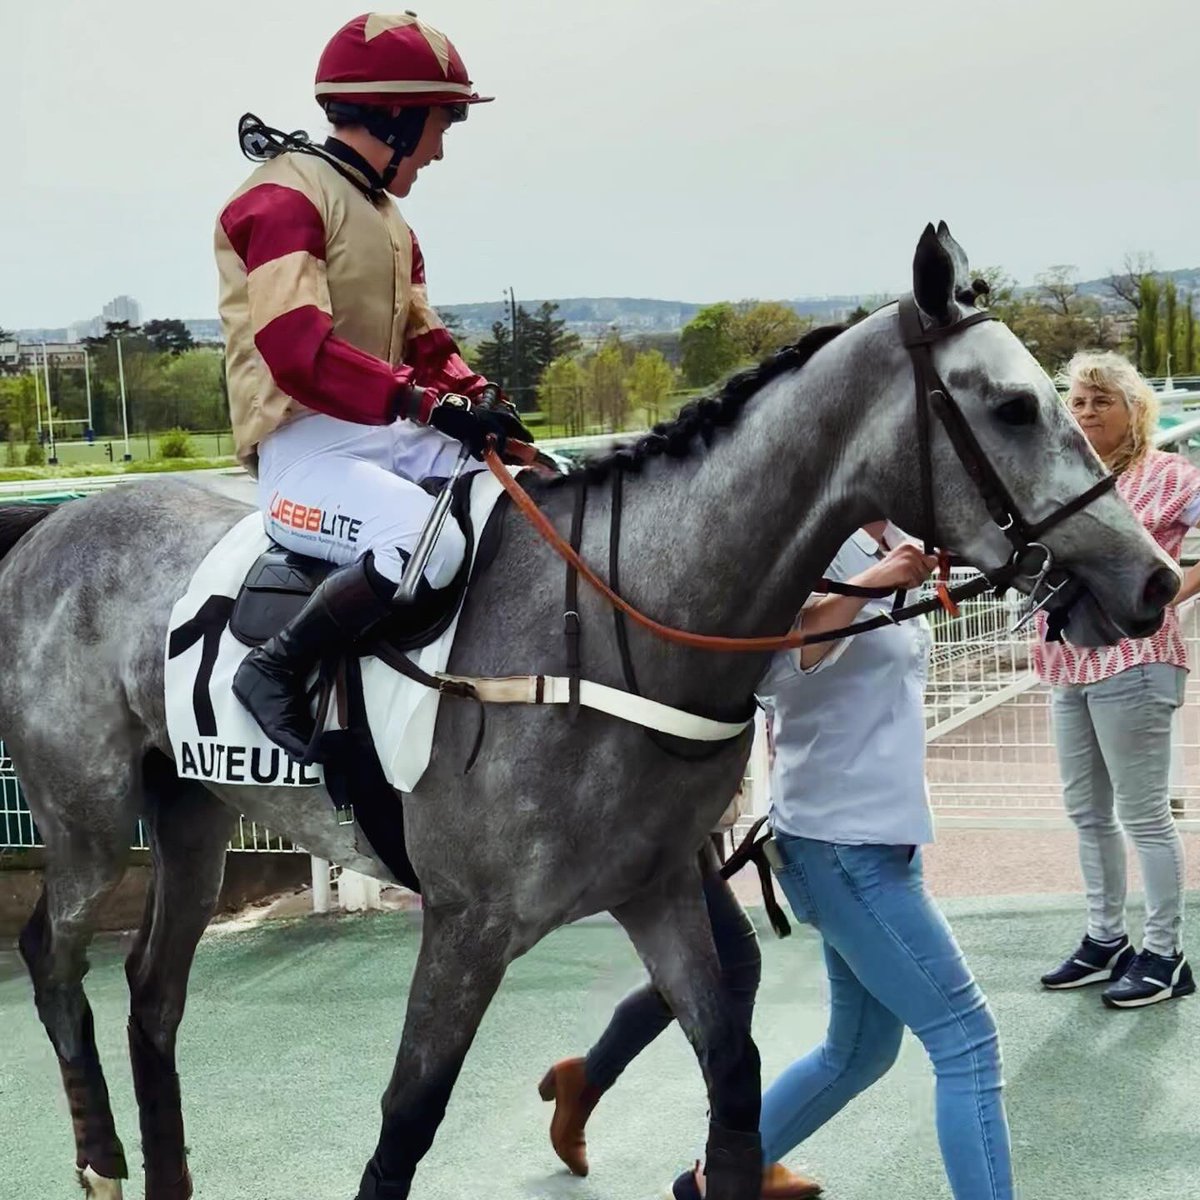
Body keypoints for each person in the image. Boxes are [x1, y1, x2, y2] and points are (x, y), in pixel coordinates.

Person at [214, 12, 531, 761]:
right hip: (305, 448)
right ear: (394, 115)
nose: (440, 150)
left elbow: (423, 343)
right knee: (426, 544)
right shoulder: (280, 199)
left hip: (387, 432)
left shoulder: (388, 218)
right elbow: (297, 351)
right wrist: (426, 404)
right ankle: (273, 670)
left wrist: (481, 402)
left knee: (531, 488)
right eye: (439, 124)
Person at [664, 524, 1014, 1199]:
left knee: (858, 1053)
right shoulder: (807, 539)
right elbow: (771, 669)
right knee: (967, 1042)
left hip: (878, 843)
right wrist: (868, 584)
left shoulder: (905, 537)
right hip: (840, 847)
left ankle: (714, 1183)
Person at [1036, 351, 1198, 1008]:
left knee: (1143, 816)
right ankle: (1106, 939)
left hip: (1135, 659)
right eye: (1076, 401)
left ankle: (1166, 953)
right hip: (1064, 662)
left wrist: (1162, 599)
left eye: (1100, 400)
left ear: (1135, 410)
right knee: (1086, 813)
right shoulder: (1057, 477)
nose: (1085, 412)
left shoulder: (1169, 476)